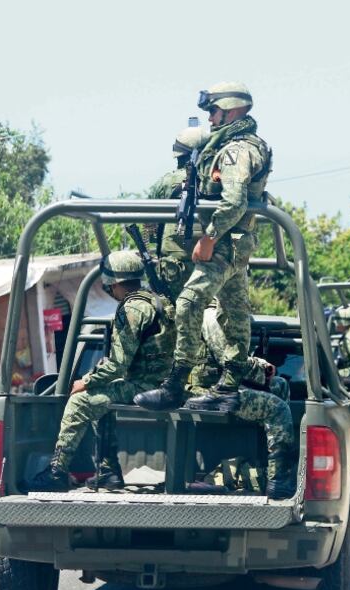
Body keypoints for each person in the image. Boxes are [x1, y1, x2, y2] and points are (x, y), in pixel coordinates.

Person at [136, 81, 273, 414]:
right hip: (238, 243)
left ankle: (175, 385)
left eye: (213, 111)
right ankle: (228, 388)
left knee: (188, 303)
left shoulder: (236, 150)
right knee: (235, 314)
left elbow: (234, 200)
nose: (210, 119)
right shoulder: (245, 145)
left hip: (225, 242)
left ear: (231, 109)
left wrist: (208, 238)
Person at [30, 251, 175, 491]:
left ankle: (56, 473)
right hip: (165, 384)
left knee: (80, 401)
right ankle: (108, 471)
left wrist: (85, 381)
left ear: (114, 283)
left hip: (146, 387)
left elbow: (118, 363)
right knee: (101, 398)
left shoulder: (132, 309)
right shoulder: (158, 301)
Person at [190, 307, 297, 499]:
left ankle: (262, 469)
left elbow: (231, 357)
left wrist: (262, 367)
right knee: (278, 408)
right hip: (207, 391)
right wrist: (260, 371)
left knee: (279, 385)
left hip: (212, 387)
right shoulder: (209, 316)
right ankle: (278, 481)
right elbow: (228, 358)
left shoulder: (202, 311)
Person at [146, 125, 210, 297]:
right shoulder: (215, 182)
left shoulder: (166, 183)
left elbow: (149, 226)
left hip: (173, 270)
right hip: (211, 266)